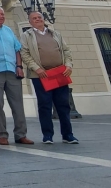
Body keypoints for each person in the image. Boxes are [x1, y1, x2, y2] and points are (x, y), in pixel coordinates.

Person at [20, 11, 77, 145]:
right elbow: (25, 53)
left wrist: (68, 65)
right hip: (41, 75)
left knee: (63, 105)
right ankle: (47, 135)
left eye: (39, 17)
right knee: (45, 105)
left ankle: (68, 135)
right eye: (34, 18)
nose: (37, 19)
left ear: (43, 19)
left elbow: (66, 50)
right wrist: (37, 68)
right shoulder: (26, 35)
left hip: (59, 73)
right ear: (30, 22)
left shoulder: (55, 33)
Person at [0, 6, 34, 145]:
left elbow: (17, 49)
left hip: (12, 71)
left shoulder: (8, 30)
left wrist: (19, 66)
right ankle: (2, 135)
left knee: (18, 104)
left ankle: (21, 134)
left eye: (2, 14)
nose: (1, 16)